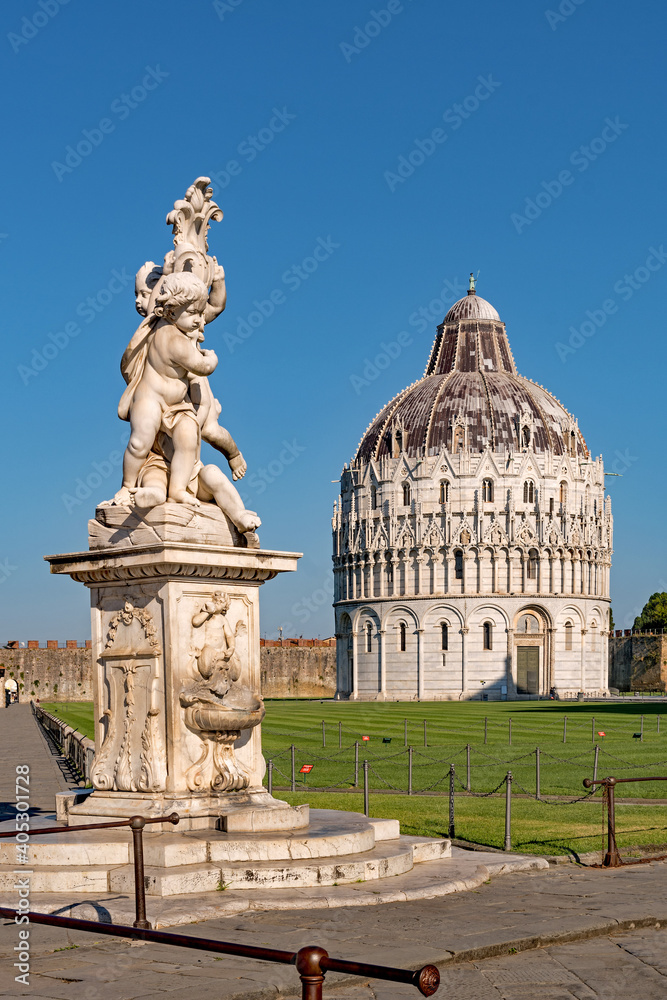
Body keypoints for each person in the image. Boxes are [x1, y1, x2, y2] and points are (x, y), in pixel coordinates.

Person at [117, 272, 218, 504]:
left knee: (187, 437)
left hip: (176, 406)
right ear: (171, 311)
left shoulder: (165, 324)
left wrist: (168, 275)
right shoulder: (174, 340)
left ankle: (178, 489)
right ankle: (127, 485)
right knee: (139, 442)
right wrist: (212, 358)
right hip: (149, 399)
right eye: (192, 313)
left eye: (200, 313)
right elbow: (202, 367)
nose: (198, 320)